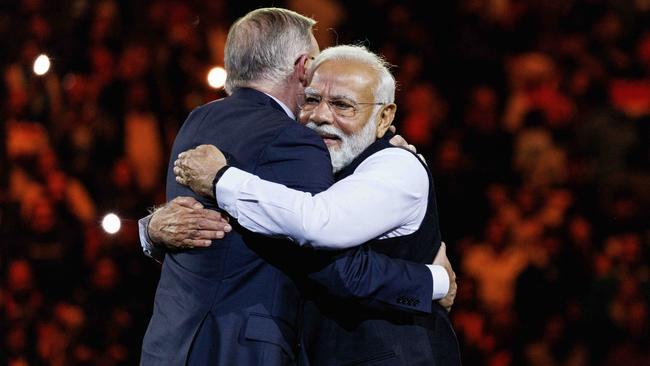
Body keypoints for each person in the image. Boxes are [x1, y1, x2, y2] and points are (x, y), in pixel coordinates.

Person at [139, 8, 456, 365]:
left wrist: (153, 227)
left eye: (342, 104)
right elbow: (324, 257)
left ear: (384, 116)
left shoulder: (200, 119)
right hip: (243, 347)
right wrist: (432, 282)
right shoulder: (295, 142)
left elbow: (317, 234)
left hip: (173, 342)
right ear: (303, 67)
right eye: (312, 98)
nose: (321, 115)